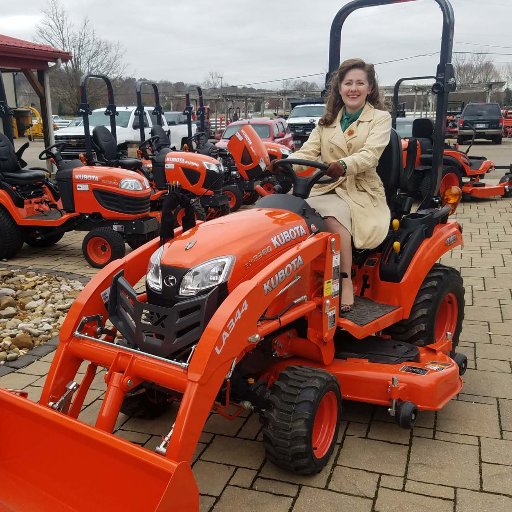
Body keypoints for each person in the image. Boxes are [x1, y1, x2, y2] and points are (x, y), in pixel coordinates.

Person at [285, 58, 392, 312]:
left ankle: (343, 283)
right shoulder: (326, 122)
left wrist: (343, 165)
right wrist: (282, 163)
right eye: (348, 83)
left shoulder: (380, 118)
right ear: (340, 88)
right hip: (324, 185)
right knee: (286, 214)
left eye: (359, 83)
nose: (353, 89)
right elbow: (308, 154)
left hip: (360, 189)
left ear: (370, 88)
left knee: (333, 218)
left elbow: (370, 155)